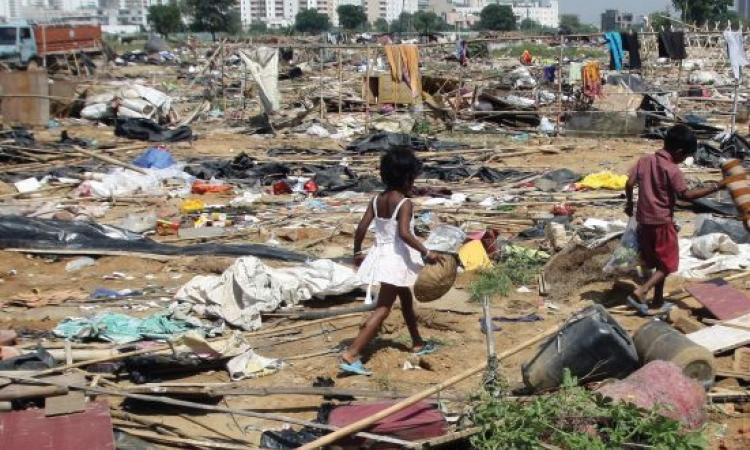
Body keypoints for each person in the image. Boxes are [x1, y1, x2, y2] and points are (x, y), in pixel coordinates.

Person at [340, 148, 443, 376]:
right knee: (383, 310)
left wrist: (357, 253)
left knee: (405, 297)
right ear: (407, 178)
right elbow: (405, 234)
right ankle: (351, 353)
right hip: (395, 259)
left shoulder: (377, 200)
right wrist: (427, 252)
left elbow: (360, 228)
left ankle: (417, 342)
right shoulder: (404, 203)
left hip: (381, 254)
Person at [624, 125, 723, 315]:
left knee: (659, 264)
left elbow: (628, 183)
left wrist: (629, 204)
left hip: (643, 222)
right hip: (661, 223)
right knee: (669, 264)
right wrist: (716, 186)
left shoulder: (645, 161)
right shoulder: (672, 170)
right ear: (679, 152)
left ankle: (658, 301)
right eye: (684, 157)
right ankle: (642, 291)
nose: (683, 160)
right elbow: (686, 195)